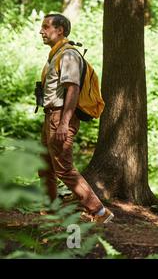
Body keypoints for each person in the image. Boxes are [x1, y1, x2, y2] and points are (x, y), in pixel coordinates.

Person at [38, 13, 114, 223]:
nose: (41, 31)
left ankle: (100, 212)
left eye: (46, 27)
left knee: (63, 168)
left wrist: (63, 122)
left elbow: (73, 89)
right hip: (50, 117)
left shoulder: (69, 55)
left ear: (59, 30)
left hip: (61, 118)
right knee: (45, 165)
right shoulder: (56, 54)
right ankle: (52, 210)